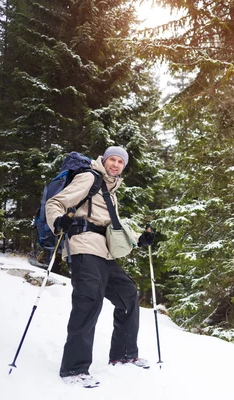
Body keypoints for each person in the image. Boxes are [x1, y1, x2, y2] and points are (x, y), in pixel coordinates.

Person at [46, 146, 155, 387]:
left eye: (120, 162)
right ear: (104, 161)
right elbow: (56, 203)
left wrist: (139, 239)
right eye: (112, 160)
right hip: (83, 245)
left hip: (103, 250)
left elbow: (113, 226)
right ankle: (74, 369)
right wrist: (58, 221)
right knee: (89, 298)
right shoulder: (89, 178)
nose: (116, 164)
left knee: (128, 294)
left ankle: (124, 355)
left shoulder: (110, 190)